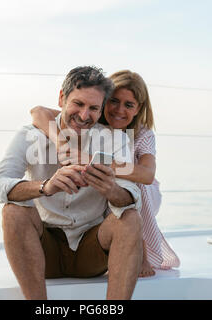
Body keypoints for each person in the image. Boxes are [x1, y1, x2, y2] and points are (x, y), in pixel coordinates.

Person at [0, 66, 143, 300]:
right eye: (78, 104)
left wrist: (111, 190)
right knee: (13, 212)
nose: (84, 115)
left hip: (92, 250)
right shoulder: (30, 135)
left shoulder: (114, 139)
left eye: (93, 108)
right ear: (61, 98)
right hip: (44, 249)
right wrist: (45, 186)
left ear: (101, 110)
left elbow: (132, 195)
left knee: (130, 218)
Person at [30, 70, 180, 278]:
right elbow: (38, 111)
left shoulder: (143, 133)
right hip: (104, 184)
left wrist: (91, 159)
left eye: (129, 105)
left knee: (131, 185)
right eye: (114, 101)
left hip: (142, 188)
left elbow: (146, 174)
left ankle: (141, 249)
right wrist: (61, 143)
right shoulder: (90, 118)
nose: (119, 110)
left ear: (139, 109)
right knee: (105, 184)